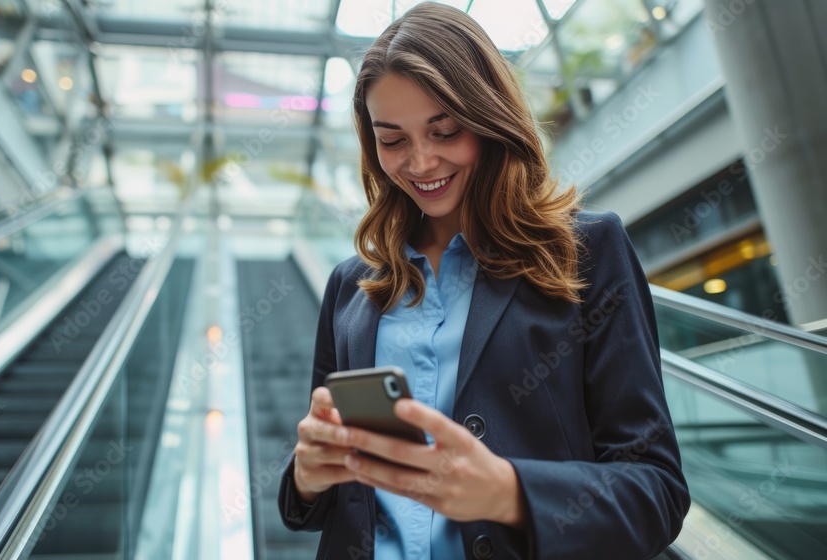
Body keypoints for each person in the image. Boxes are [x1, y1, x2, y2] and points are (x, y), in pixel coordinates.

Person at [278, 3, 690, 559]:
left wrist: (509, 493)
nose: (421, 163)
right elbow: (329, 499)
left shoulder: (586, 251)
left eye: (444, 130)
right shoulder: (352, 286)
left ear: (489, 117)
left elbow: (656, 491)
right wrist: (306, 473)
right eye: (393, 140)